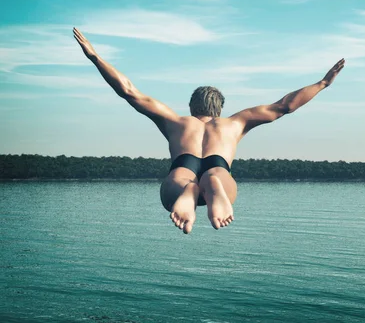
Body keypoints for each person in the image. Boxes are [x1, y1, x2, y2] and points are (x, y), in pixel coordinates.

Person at [73, 27, 345, 234]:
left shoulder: (175, 121)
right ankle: (211, 184)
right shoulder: (235, 123)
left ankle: (189, 190)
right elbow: (284, 106)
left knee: (177, 187)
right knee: (217, 176)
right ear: (220, 108)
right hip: (219, 168)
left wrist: (95, 56)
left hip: (182, 168)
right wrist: (322, 83)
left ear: (191, 106)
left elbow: (129, 91)